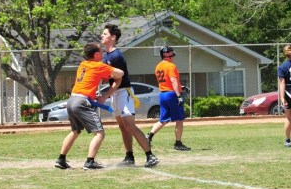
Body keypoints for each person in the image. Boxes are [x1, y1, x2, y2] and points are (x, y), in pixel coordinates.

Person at [55, 42, 123, 170]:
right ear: (96, 54)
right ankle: (90, 162)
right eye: (101, 52)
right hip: (81, 102)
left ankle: (61, 159)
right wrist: (109, 68)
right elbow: (120, 73)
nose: (103, 54)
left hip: (72, 99)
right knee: (100, 133)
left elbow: (93, 77)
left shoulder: (83, 64)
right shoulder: (98, 65)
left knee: (75, 131)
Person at [100, 25, 159, 167]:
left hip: (124, 92)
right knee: (122, 126)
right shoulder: (106, 56)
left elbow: (119, 80)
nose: (101, 36)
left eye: (104, 33)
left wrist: (105, 95)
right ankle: (129, 156)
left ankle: (150, 156)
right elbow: (107, 78)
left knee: (130, 126)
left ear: (113, 37)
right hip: (115, 93)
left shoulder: (116, 56)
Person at [147, 46, 190, 151]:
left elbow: (167, 82)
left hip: (162, 94)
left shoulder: (158, 66)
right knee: (179, 119)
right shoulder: (171, 66)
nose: (172, 55)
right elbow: (173, 81)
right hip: (171, 95)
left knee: (163, 119)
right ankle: (178, 143)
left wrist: (181, 88)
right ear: (165, 54)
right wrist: (179, 95)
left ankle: (149, 136)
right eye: (170, 53)